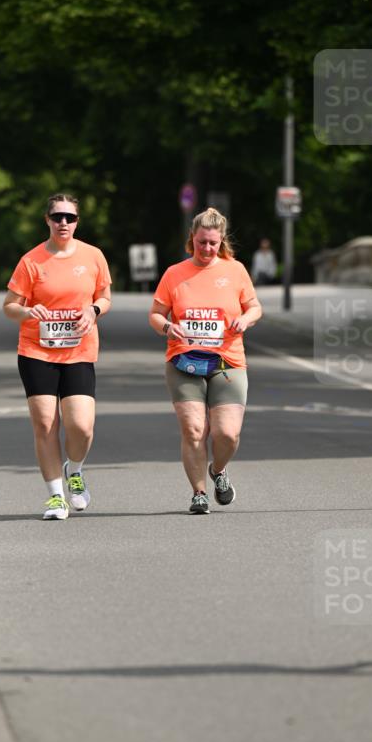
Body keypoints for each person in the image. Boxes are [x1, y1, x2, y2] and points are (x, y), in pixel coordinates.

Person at [3, 193, 111, 519]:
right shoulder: (31, 261)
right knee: (45, 424)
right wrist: (26, 311)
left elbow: (104, 297)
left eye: (70, 217)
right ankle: (55, 497)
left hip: (78, 351)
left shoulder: (93, 256)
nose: (64, 222)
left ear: (77, 222)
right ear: (47, 220)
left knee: (81, 426)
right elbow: (9, 306)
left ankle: (74, 469)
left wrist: (93, 311)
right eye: (57, 217)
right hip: (37, 350)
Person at [149, 207, 262, 514]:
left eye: (213, 243)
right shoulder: (175, 273)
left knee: (227, 434)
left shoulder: (235, 270)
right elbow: (156, 314)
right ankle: (199, 492)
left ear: (221, 240)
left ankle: (218, 470)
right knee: (194, 429)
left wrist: (246, 320)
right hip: (184, 362)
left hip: (227, 361)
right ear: (192, 239)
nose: (207, 248)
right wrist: (167, 327)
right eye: (202, 242)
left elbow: (254, 307)